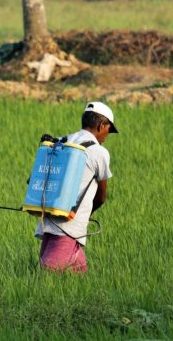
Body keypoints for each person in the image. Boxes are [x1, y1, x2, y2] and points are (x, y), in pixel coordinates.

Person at [35, 102, 118, 273]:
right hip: (69, 226)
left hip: (49, 218)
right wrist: (88, 214)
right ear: (101, 125)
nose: (106, 136)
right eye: (108, 130)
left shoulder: (62, 141)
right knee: (48, 274)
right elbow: (101, 197)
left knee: (77, 274)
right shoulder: (99, 152)